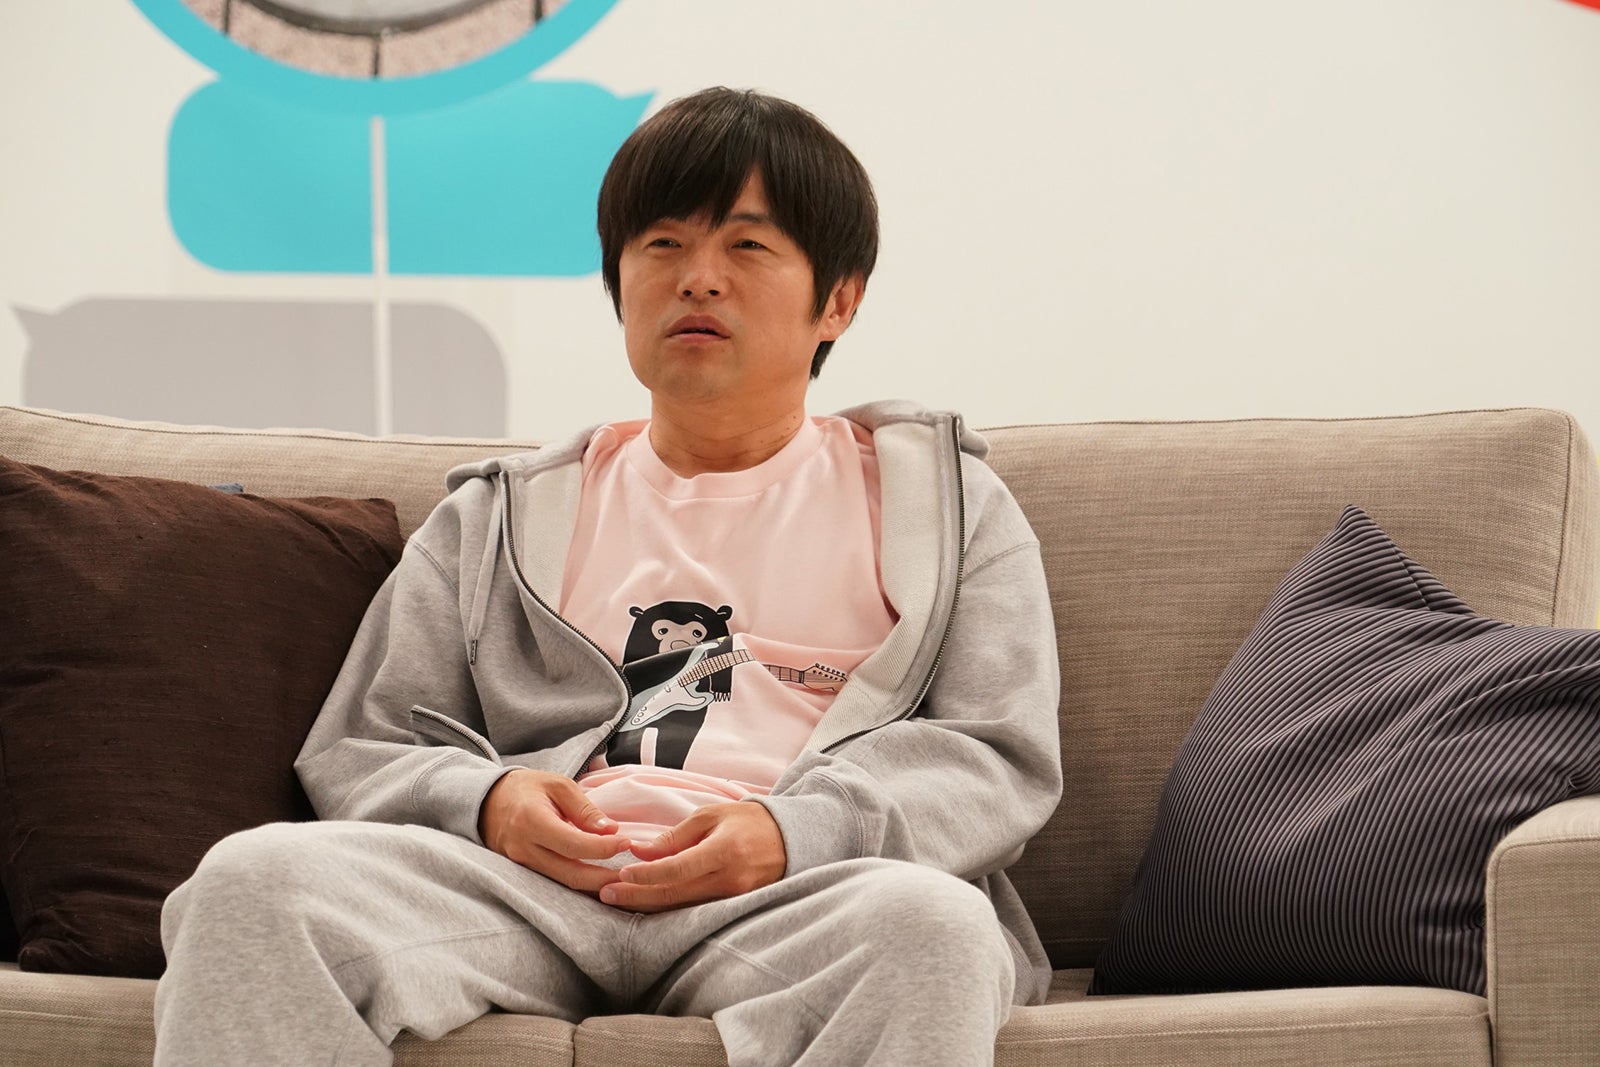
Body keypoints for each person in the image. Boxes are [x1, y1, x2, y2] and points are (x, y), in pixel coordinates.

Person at [153, 86, 1063, 1067]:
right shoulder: (499, 513)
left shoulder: (945, 507)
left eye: (747, 246)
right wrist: (490, 802)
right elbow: (362, 745)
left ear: (837, 298)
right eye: (662, 244)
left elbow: (998, 755)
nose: (698, 279)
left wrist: (794, 831)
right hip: (524, 892)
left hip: (795, 897)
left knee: (935, 928)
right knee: (253, 882)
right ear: (619, 284)